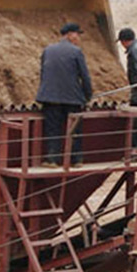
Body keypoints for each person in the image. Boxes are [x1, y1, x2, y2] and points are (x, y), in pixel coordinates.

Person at [36, 22, 93, 166]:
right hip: (72, 99)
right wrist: (87, 96)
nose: (78, 38)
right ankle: (76, 159)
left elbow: (43, 73)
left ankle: (52, 159)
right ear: (69, 35)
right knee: (74, 130)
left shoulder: (48, 50)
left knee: (52, 129)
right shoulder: (76, 52)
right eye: (77, 34)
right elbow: (85, 77)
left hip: (50, 98)